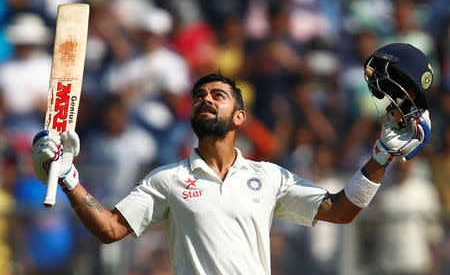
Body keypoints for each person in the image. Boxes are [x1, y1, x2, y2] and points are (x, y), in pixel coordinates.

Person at [31, 43, 432, 274]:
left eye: (217, 96)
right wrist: (67, 176)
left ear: (239, 117)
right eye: (199, 97)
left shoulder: (269, 176)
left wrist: (381, 156)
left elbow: (342, 211)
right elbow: (110, 230)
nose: (206, 99)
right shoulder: (166, 179)